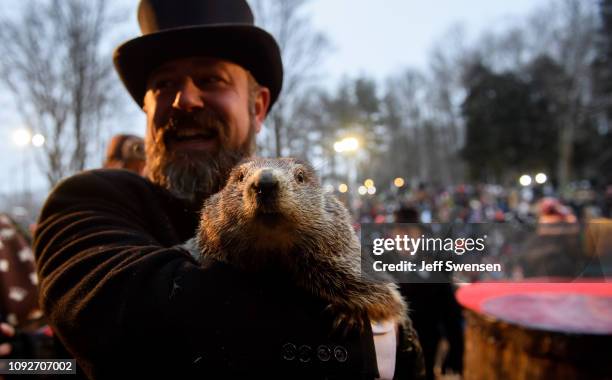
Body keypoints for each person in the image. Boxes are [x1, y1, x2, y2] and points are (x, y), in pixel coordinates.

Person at [33, 0, 423, 378]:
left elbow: (385, 319)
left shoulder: (311, 209)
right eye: (163, 84)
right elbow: (124, 323)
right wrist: (368, 344)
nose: (184, 100)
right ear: (147, 111)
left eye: (210, 80)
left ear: (257, 107)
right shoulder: (92, 198)